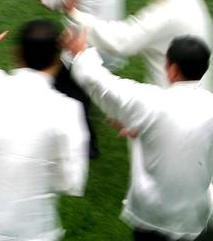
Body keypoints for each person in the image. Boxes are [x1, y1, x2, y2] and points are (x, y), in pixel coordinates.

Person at [64, 31, 213, 241]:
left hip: (154, 217)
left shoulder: (151, 101)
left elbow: (103, 84)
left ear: (172, 69)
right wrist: (140, 127)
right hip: (194, 217)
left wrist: (82, 53)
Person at [0, 15, 88, 240]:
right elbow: (71, 182)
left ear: (16, 54)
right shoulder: (68, 111)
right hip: (28, 229)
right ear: (56, 60)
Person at [7, 0, 125, 158]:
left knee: (68, 88)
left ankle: (84, 145)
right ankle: (82, 142)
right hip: (96, 43)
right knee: (74, 88)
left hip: (87, 45)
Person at [65, 0, 213, 90]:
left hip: (171, 98)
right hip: (198, 91)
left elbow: (123, 40)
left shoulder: (167, 12)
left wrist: (76, 15)